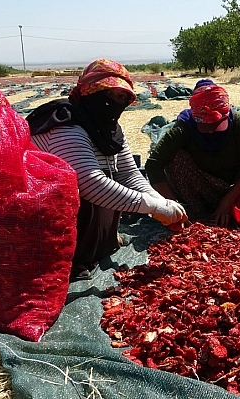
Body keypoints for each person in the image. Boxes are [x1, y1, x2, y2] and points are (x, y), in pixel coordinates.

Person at [26, 59, 187, 281]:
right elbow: (91, 184)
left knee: (113, 183)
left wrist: (160, 202)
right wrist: (153, 206)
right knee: (85, 193)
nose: (113, 102)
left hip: (85, 189)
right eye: (105, 93)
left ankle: (102, 243)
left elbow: (127, 173)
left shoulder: (110, 128)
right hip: (37, 210)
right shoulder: (66, 127)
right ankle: (69, 260)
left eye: (121, 97)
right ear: (87, 91)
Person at [144, 79, 240, 227]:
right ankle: (196, 212)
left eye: (216, 125)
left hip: (237, 188)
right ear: (195, 119)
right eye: (205, 125)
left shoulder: (237, 122)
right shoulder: (184, 127)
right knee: (175, 156)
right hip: (202, 188)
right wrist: (172, 207)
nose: (211, 130)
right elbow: (154, 165)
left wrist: (227, 202)